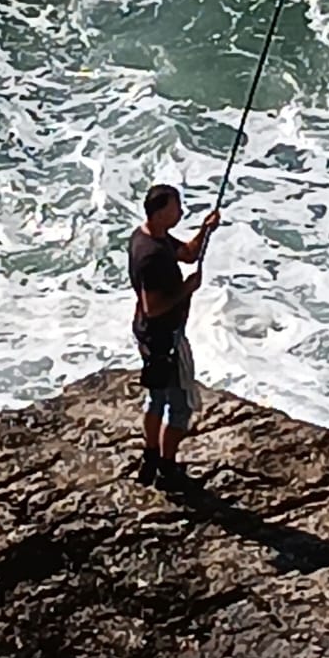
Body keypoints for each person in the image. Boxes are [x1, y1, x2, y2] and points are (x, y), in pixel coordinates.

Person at [127, 183, 219, 489]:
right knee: (179, 405)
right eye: (176, 207)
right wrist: (187, 290)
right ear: (161, 211)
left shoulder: (149, 236)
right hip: (164, 336)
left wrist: (205, 230)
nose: (181, 212)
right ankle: (166, 468)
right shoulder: (151, 255)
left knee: (156, 397)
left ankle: (151, 456)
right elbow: (154, 307)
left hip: (147, 333)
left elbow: (189, 255)